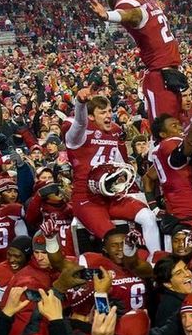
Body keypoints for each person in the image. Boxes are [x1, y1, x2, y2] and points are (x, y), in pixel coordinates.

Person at [65, 87, 161, 253]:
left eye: (110, 111)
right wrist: (80, 103)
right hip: (87, 198)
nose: (108, 115)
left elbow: (122, 165)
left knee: (148, 217)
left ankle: (156, 262)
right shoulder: (80, 133)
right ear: (91, 116)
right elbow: (79, 123)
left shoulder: (116, 132)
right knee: (113, 237)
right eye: (102, 112)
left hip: (112, 195)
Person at [88, 0, 185, 122]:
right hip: (160, 76)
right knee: (166, 127)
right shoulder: (128, 3)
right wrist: (108, 16)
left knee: (177, 125)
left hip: (171, 73)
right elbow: (132, 15)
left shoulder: (146, 1)